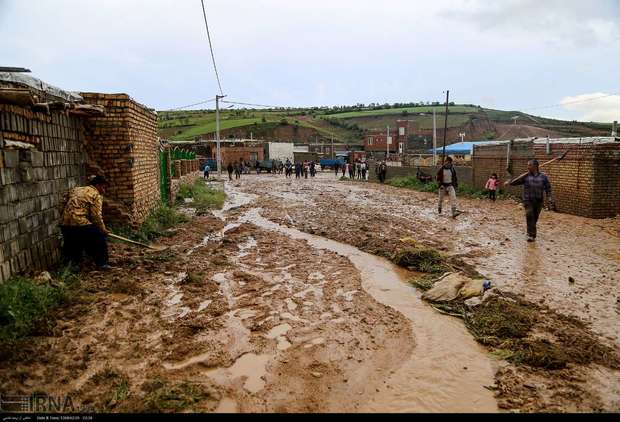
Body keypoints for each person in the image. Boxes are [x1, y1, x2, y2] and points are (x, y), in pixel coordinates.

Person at [60, 175, 111, 270]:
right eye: (103, 187)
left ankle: (70, 266)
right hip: (80, 223)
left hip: (65, 223)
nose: (104, 190)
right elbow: (96, 216)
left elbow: (63, 202)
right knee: (99, 237)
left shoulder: (76, 189)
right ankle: (102, 263)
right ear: (97, 185)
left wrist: (64, 217)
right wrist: (103, 230)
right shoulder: (95, 194)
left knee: (71, 243)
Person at [506, 159, 554, 242]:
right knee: (529, 215)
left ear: (535, 166)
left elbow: (548, 188)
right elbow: (514, 183)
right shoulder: (525, 176)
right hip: (528, 200)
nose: (527, 167)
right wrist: (509, 182)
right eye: (527, 165)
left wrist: (549, 198)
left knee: (535, 217)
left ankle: (530, 231)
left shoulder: (543, 176)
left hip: (538, 200)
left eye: (529, 165)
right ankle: (531, 235)